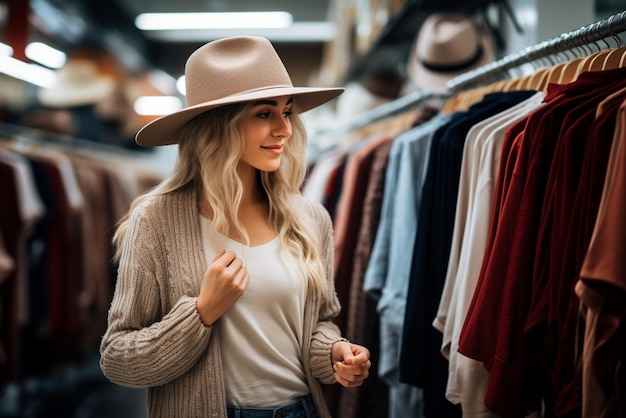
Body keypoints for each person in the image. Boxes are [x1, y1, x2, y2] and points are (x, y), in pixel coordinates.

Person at [99, 35, 371, 418]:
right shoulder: (157, 221)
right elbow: (118, 359)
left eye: (287, 111)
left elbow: (315, 324)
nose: (285, 129)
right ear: (216, 127)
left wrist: (334, 351)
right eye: (264, 114)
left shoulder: (310, 218)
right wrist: (202, 312)